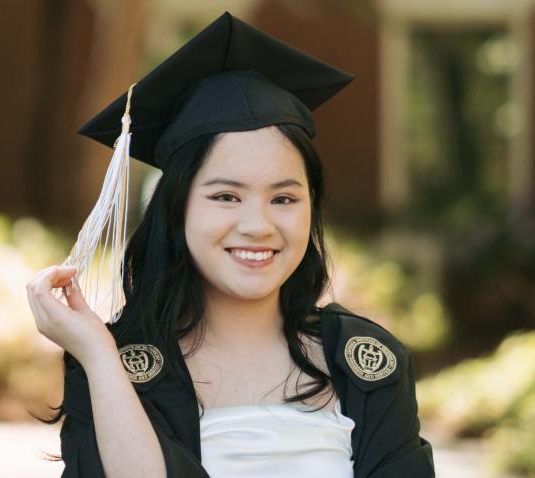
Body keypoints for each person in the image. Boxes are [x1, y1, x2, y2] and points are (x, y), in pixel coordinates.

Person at [26, 11, 436, 478]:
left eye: (283, 197)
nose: (258, 225)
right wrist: (99, 356)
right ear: (176, 209)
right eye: (226, 196)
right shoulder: (114, 367)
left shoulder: (364, 362)